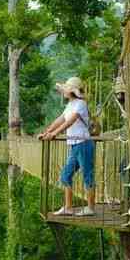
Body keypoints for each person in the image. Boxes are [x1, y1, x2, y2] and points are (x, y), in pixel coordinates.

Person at [38, 77, 96, 216]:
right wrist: (47, 132)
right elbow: (60, 120)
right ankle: (68, 207)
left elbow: (70, 121)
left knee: (87, 175)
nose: (63, 92)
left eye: (66, 89)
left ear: (72, 91)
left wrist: (54, 134)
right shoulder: (70, 105)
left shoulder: (81, 104)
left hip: (84, 143)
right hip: (74, 145)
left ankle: (90, 208)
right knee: (65, 175)